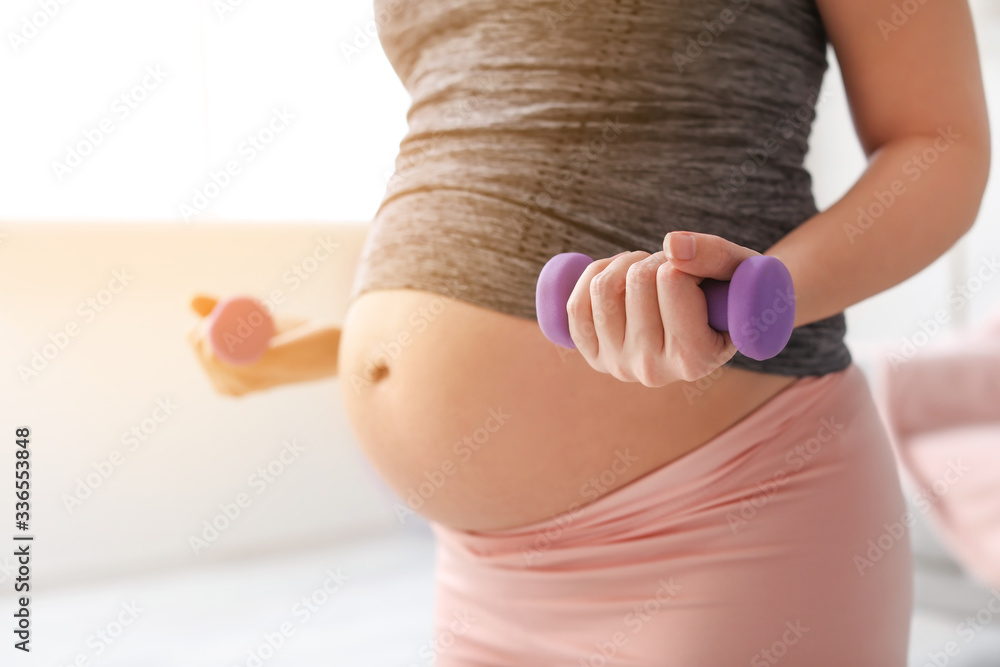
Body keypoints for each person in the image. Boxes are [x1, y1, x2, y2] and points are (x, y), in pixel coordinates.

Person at [189, 0, 991, 663]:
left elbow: (940, 141)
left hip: (724, 523)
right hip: (481, 570)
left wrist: (764, 294)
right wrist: (345, 349)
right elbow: (498, 143)